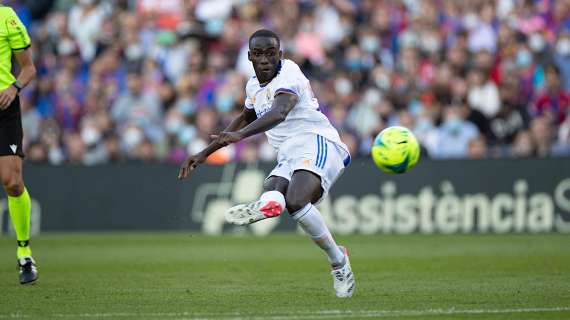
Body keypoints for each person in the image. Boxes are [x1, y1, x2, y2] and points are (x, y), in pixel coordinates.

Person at [178, 29, 355, 298]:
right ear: (249, 56)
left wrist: (240, 136)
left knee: (296, 200)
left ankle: (338, 261)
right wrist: (206, 152)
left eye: (270, 53)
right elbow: (245, 117)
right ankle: (270, 203)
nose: (264, 59)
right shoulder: (252, 86)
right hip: (287, 151)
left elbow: (280, 112)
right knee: (274, 186)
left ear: (279, 54)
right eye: (258, 54)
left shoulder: (290, 73)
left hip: (316, 141)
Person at [0, 5, 38, 284]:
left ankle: (24, 252)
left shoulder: (6, 17)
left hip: (4, 107)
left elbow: (28, 68)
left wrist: (14, 88)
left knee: (12, 182)